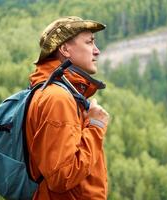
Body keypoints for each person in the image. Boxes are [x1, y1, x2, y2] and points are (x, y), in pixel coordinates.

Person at [25, 16, 109, 200]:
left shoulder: (56, 92)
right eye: (89, 43)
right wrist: (95, 126)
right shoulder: (58, 99)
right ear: (64, 49)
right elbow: (62, 177)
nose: (97, 51)